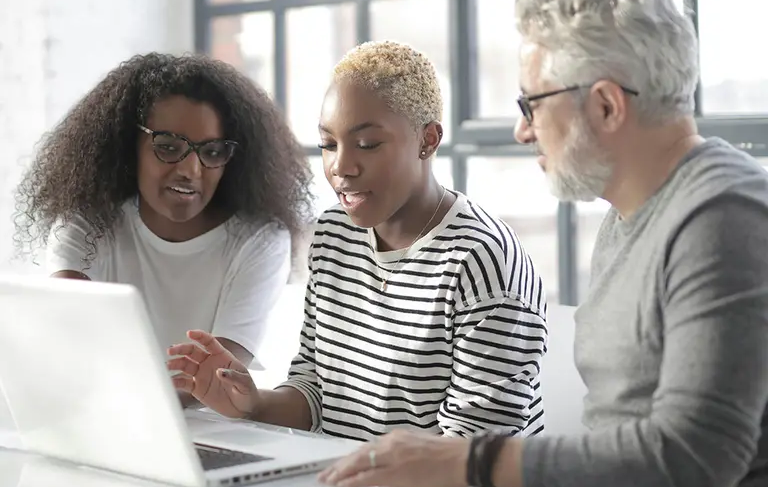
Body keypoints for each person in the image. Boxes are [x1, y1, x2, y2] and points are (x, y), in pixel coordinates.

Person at [318, 0, 768, 487]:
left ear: (606, 106)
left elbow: (691, 460)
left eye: (532, 104)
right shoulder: (625, 218)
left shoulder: (722, 216)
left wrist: (469, 460)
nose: (521, 130)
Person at [168, 40, 547, 440]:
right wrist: (253, 404)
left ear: (428, 140)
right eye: (328, 145)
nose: (340, 167)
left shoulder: (482, 261)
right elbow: (316, 392)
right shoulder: (334, 234)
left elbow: (476, 453)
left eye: (367, 144)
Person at [14, 52, 314, 376]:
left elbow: (214, 378)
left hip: (213, 424)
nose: (190, 170)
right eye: (168, 147)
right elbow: (66, 343)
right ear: (129, 146)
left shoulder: (259, 240)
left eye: (212, 152)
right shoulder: (86, 226)